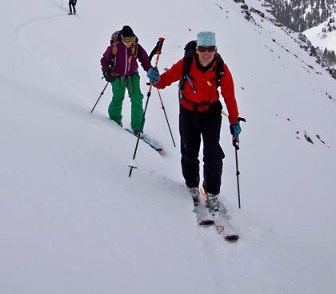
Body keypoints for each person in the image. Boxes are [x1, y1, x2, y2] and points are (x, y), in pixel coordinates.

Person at [147, 31, 241, 212]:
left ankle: (212, 192)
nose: (206, 53)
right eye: (202, 48)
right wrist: (155, 79)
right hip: (188, 111)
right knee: (189, 150)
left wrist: (234, 121)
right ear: (197, 50)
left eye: (210, 49)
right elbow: (165, 80)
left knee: (212, 153)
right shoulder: (186, 64)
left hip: (211, 113)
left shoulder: (221, 68)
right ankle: (192, 185)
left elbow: (229, 96)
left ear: (215, 50)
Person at [100, 25, 153, 134]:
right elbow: (104, 60)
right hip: (117, 76)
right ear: (122, 38)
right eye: (127, 40)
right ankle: (115, 121)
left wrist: (150, 70)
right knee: (118, 98)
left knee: (137, 99)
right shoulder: (114, 48)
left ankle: (138, 127)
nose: (129, 42)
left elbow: (144, 59)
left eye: (132, 39)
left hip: (132, 76)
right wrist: (106, 71)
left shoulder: (136, 46)